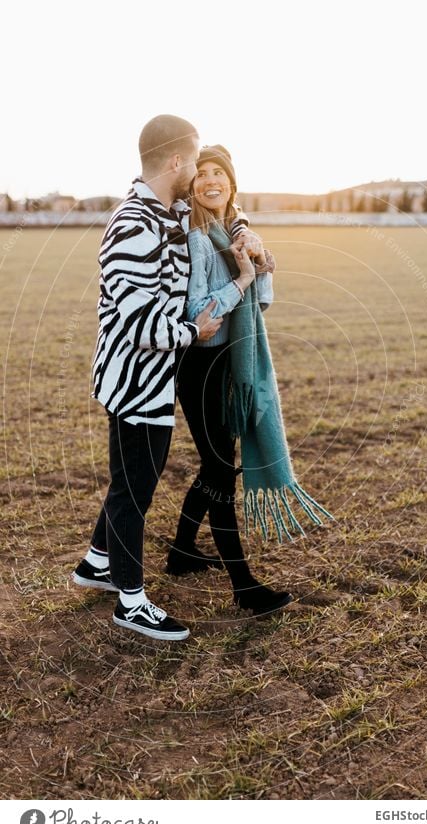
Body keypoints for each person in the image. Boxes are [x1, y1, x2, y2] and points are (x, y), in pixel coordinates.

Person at [71, 117, 251, 640]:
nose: (198, 173)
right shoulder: (134, 224)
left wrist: (242, 229)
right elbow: (137, 321)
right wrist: (192, 331)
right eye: (194, 161)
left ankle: (95, 564)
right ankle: (130, 601)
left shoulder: (163, 211)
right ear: (175, 162)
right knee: (136, 490)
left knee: (129, 479)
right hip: (136, 382)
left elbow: (216, 213)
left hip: (153, 379)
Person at [166, 145, 333, 615]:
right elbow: (199, 313)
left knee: (218, 465)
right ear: (193, 186)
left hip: (229, 361)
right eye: (201, 174)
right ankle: (243, 586)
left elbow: (260, 305)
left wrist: (263, 270)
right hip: (202, 366)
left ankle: (181, 554)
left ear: (232, 184)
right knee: (220, 469)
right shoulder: (200, 236)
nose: (210, 180)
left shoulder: (232, 229)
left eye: (219, 173)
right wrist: (242, 277)